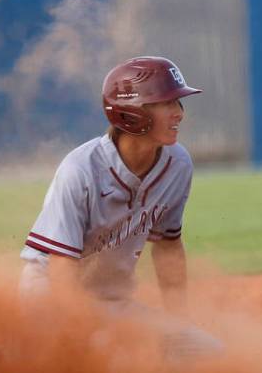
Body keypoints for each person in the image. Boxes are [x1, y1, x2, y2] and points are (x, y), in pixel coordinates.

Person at [19, 56, 216, 354]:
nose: (179, 114)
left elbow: (168, 246)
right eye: (167, 104)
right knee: (110, 358)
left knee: (204, 354)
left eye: (179, 103)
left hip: (113, 304)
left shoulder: (177, 164)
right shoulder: (81, 170)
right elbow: (61, 268)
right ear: (131, 113)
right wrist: (77, 334)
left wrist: (179, 323)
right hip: (50, 300)